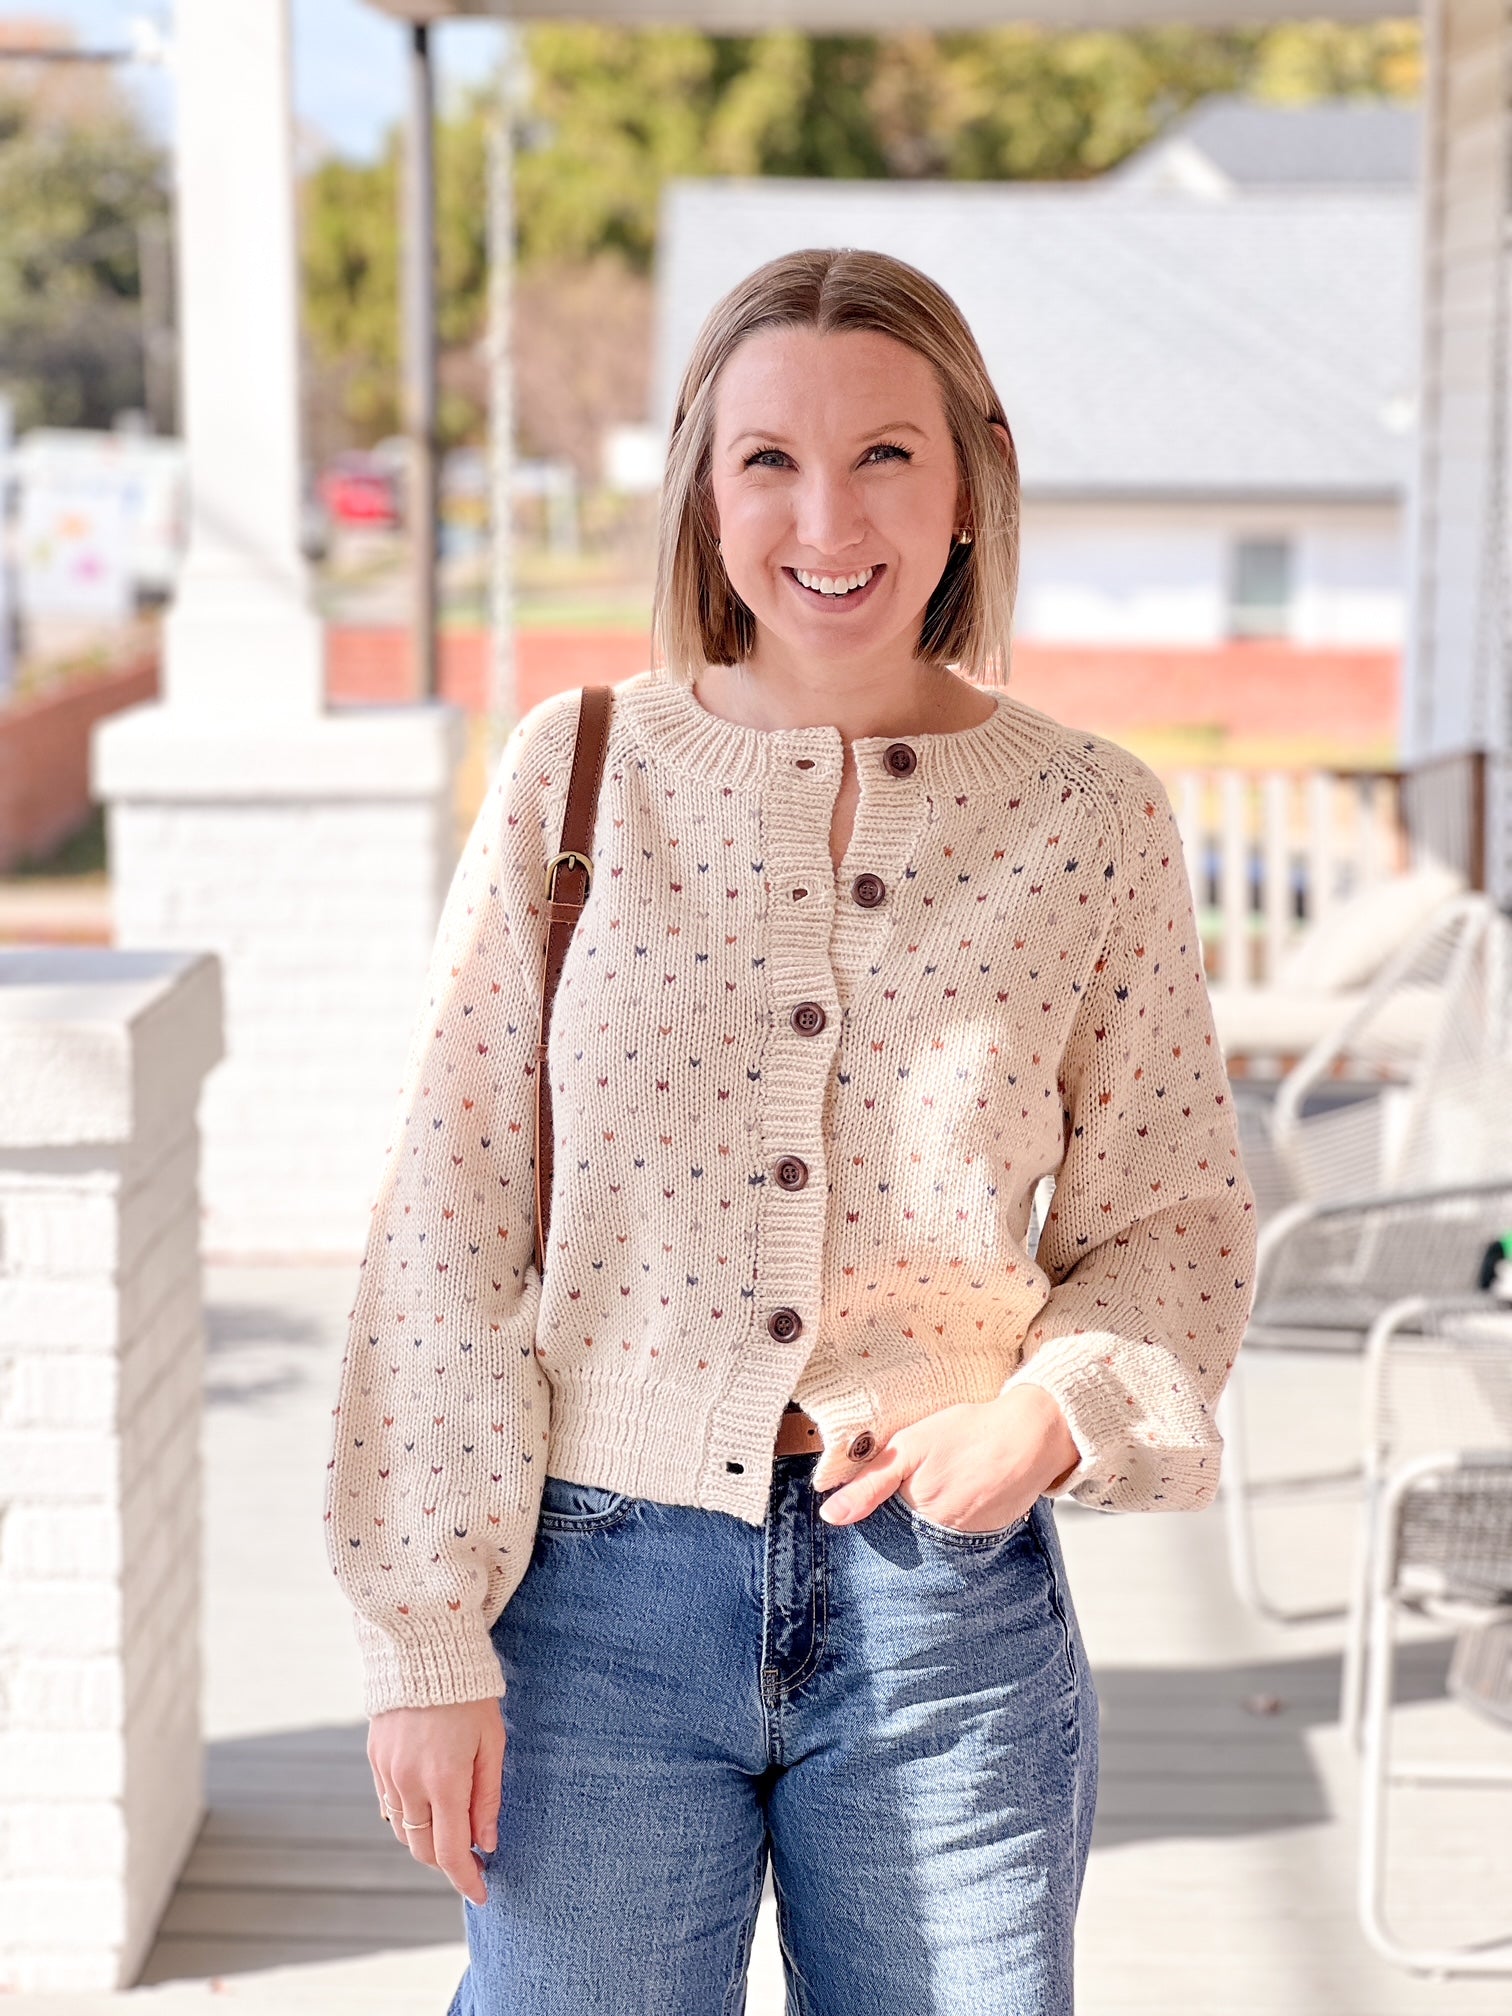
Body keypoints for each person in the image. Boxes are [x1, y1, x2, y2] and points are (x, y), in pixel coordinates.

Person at [322, 246, 1258, 2016]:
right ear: (704, 484)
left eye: (886, 453)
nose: (829, 514)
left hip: (946, 1607)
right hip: (591, 1595)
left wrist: (1051, 1421)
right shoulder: (576, 771)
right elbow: (452, 1207)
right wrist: (424, 1635)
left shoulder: (1092, 819)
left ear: (974, 473)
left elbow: (1173, 1218)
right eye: (770, 459)